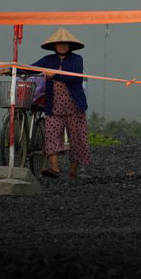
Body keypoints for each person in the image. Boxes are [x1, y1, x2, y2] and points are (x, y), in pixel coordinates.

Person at [33, 28, 91, 178]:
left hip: (74, 107)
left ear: (70, 45)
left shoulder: (77, 59)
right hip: (54, 107)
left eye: (66, 44)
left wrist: (55, 75)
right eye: (60, 44)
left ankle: (73, 172)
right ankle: (54, 168)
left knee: (77, 138)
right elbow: (31, 69)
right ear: (54, 45)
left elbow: (75, 78)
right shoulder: (47, 60)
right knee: (51, 135)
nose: (63, 46)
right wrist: (12, 69)